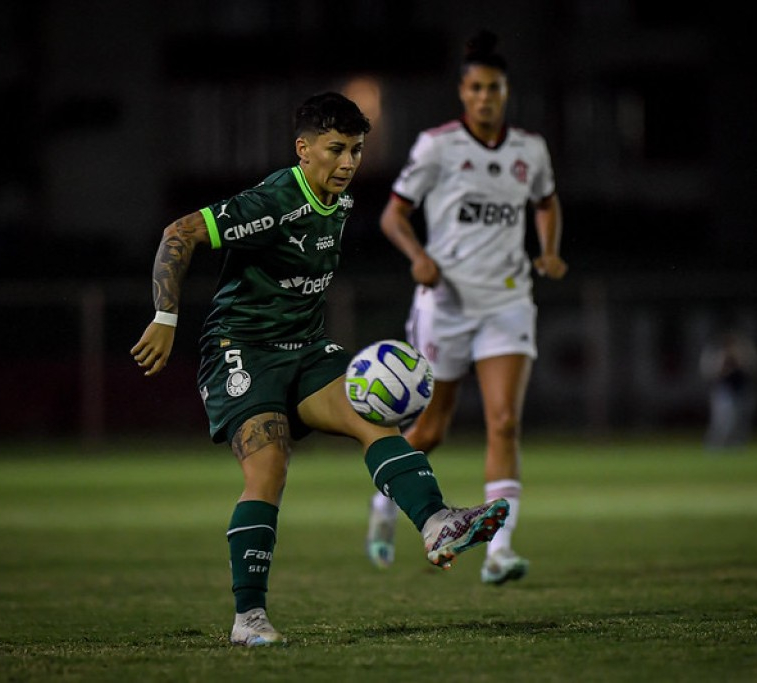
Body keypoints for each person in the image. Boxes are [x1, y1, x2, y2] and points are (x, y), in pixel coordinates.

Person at [130, 92, 509, 647]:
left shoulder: (340, 200)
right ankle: (248, 620)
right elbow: (178, 234)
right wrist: (166, 317)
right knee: (269, 469)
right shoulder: (275, 200)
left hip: (305, 347)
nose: (350, 162)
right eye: (336, 149)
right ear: (303, 150)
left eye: (357, 150)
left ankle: (435, 524)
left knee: (373, 416)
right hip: (242, 349)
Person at [367, 31, 567, 586]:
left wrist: (548, 252)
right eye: (476, 88)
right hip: (447, 304)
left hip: (507, 299)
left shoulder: (531, 149)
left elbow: (547, 203)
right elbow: (392, 215)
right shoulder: (437, 146)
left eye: (495, 89)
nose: (485, 97)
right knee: (431, 430)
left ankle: (500, 552)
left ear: (506, 92)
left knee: (504, 422)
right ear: (462, 92)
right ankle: (384, 506)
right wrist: (418, 257)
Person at [700, 329, 757, 450]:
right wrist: (725, 366)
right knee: (723, 421)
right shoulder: (716, 353)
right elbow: (709, 372)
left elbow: (753, 368)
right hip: (724, 390)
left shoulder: (744, 352)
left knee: (741, 420)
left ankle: (737, 445)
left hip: (742, 389)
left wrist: (739, 361)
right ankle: (715, 446)